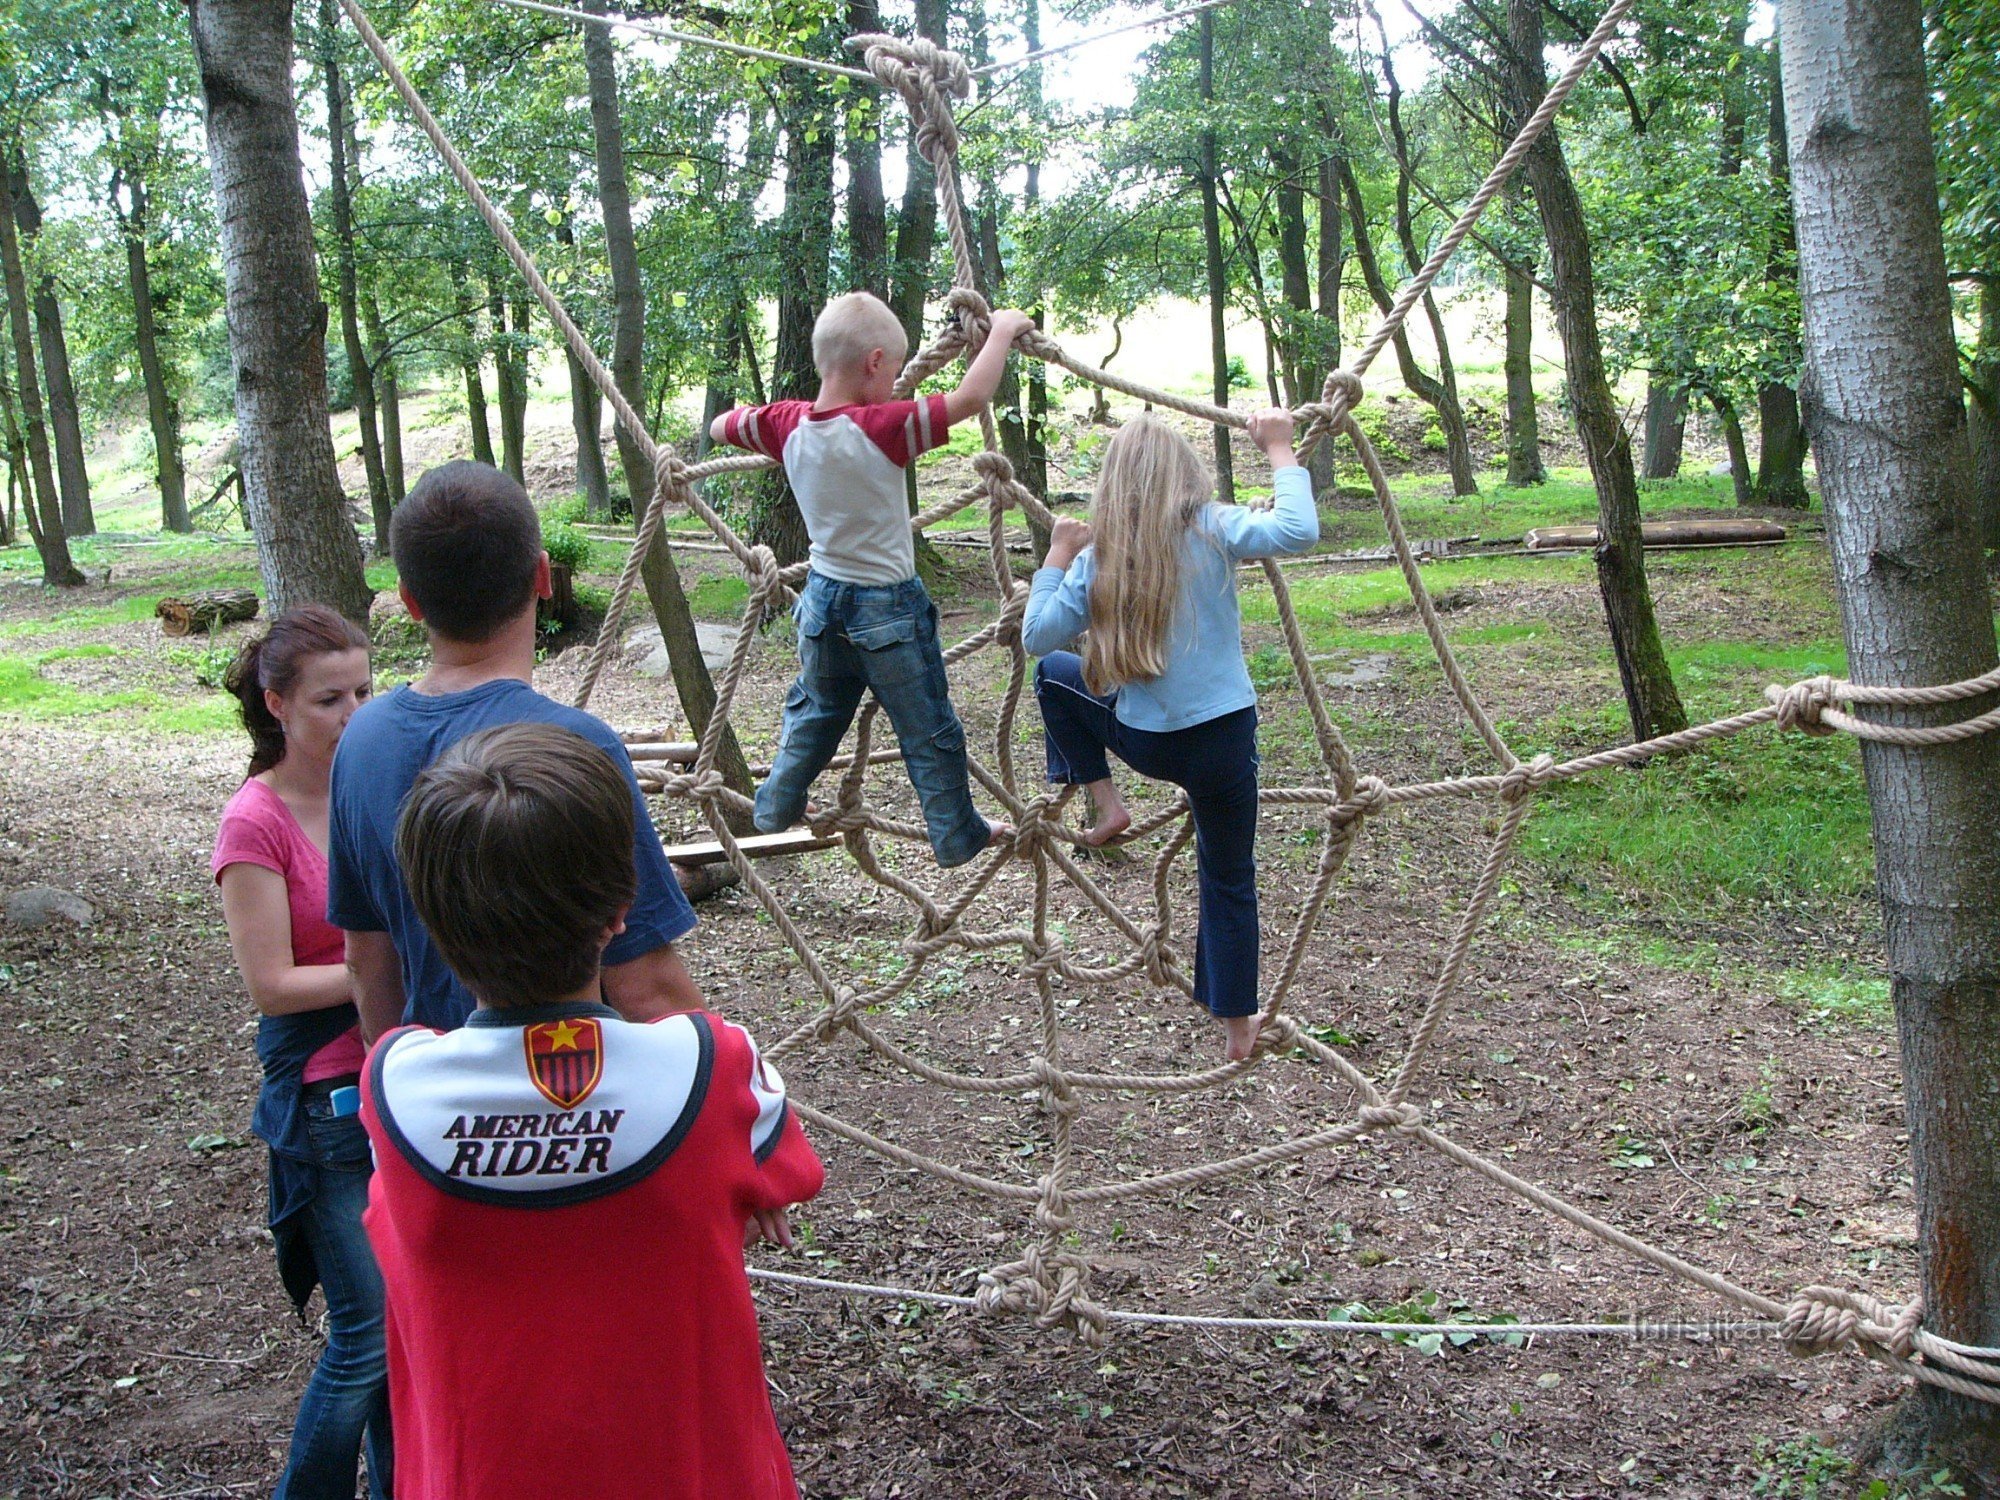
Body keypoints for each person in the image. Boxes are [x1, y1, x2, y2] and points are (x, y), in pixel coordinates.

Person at [360, 723, 823, 1498]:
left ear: (435, 931)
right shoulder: (715, 1066)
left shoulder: (396, 1087)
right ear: (620, 915)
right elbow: (784, 1176)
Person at [327, 461, 701, 1041]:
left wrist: (396, 1091)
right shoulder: (577, 746)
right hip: (574, 1105)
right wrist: (734, 1086)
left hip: (442, 1105)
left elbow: (368, 963)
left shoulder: (361, 738)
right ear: (543, 577)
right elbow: (643, 983)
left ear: (409, 600)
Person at [1019, 410, 1320, 1061]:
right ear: (1187, 473)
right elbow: (1300, 528)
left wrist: (1057, 556)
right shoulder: (1215, 528)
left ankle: (1107, 803)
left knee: (1055, 677)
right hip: (1224, 745)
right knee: (1229, 876)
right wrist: (1279, 448)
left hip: (1148, 743)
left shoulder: (1098, 559)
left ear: (1113, 486)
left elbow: (1036, 637)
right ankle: (1239, 1026)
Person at [708, 290, 1035, 868]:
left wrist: (743, 421)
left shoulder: (788, 423)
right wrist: (1003, 330)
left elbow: (720, 426)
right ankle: (957, 833)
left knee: (815, 710)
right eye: (894, 369)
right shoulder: (885, 426)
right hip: (888, 612)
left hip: (820, 603)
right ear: (877, 363)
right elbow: (972, 397)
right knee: (928, 727)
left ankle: (775, 803)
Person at [213, 606, 393, 1499]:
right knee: (368, 1333)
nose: (357, 713)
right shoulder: (254, 822)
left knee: (404, 1335)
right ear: (278, 704)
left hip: (400, 1085)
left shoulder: (377, 790)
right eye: (331, 699)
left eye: (366, 690)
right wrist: (376, 969)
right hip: (325, 1103)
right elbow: (272, 986)